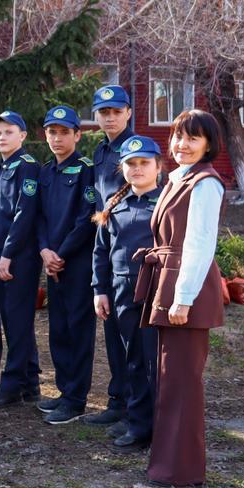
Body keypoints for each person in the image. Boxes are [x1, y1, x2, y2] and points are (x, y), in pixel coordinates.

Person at [135, 110, 226, 488]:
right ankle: (168, 465)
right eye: (177, 137)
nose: (182, 145)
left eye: (192, 138)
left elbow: (200, 244)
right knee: (169, 378)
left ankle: (181, 470)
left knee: (182, 382)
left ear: (208, 144)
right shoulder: (178, 179)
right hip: (167, 283)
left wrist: (184, 298)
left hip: (185, 289)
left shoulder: (205, 183)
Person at [93, 135, 163, 453]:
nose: (137, 169)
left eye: (144, 163)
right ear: (122, 169)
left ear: (158, 167)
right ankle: (138, 425)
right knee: (132, 361)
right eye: (131, 164)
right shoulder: (115, 205)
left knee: (153, 363)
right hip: (122, 295)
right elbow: (101, 253)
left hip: (154, 296)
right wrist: (100, 291)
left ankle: (157, 429)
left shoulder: (165, 204)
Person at [34, 106, 99, 424]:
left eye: (64, 132)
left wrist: (61, 253)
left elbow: (87, 217)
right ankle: (64, 391)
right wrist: (45, 250)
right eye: (51, 132)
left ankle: (76, 399)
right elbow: (40, 217)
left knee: (78, 330)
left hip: (76, 264)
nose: (57, 138)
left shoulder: (86, 170)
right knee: (58, 330)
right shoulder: (46, 172)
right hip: (52, 263)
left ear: (77, 135)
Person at [0, 111, 42, 408]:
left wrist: (6, 254)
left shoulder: (26, 166)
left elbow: (24, 213)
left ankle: (12, 386)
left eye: (8, 131)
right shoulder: (2, 167)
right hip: (0, 253)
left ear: (22, 136)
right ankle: (30, 382)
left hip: (19, 255)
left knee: (17, 322)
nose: (1, 137)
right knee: (12, 320)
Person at [87, 83, 136, 427]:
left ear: (129, 113)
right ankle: (118, 400)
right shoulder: (101, 152)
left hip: (131, 249)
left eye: (116, 111)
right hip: (107, 245)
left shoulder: (136, 149)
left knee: (133, 339)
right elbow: (98, 205)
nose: (110, 117)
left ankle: (137, 406)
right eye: (104, 112)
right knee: (113, 334)